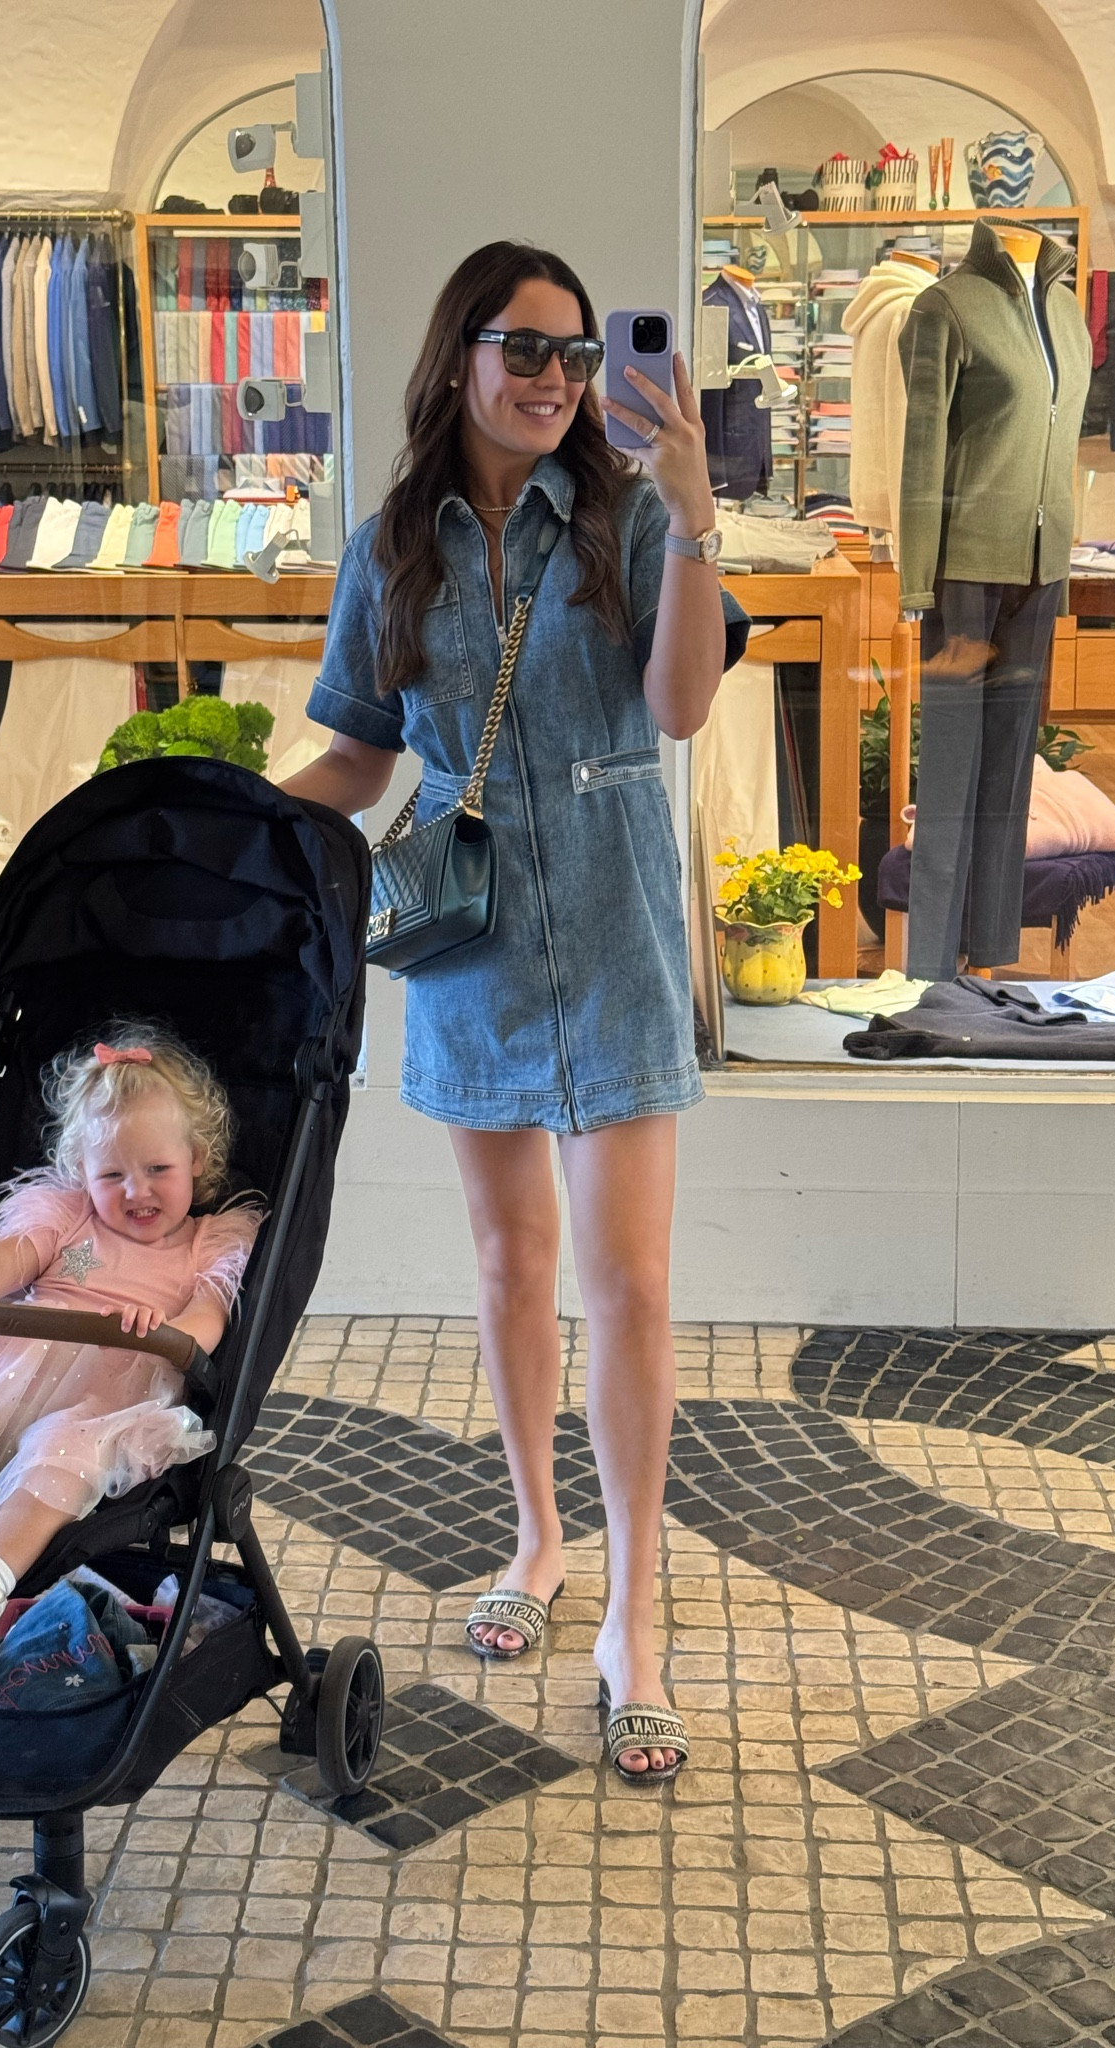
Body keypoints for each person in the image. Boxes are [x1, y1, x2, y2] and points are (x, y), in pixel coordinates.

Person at [285, 242, 746, 1781]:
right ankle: (537, 1538)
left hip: (615, 928)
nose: (555, 379)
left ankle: (633, 1615)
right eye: (525, 349)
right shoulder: (388, 549)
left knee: (630, 1285)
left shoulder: (627, 518)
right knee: (509, 1262)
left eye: (574, 354)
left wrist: (694, 513)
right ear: (461, 356)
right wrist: (230, 814)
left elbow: (679, 709)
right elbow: (358, 755)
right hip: (467, 937)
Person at [0, 1025, 261, 1687]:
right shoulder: (67, 1216)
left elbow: (208, 1317)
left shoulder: (208, 1240)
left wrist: (171, 1332)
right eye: (112, 1174)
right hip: (1, 1369)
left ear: (197, 1161)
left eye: (158, 1170)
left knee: (63, 1457)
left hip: (108, 1390)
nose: (136, 1192)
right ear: (83, 1174)